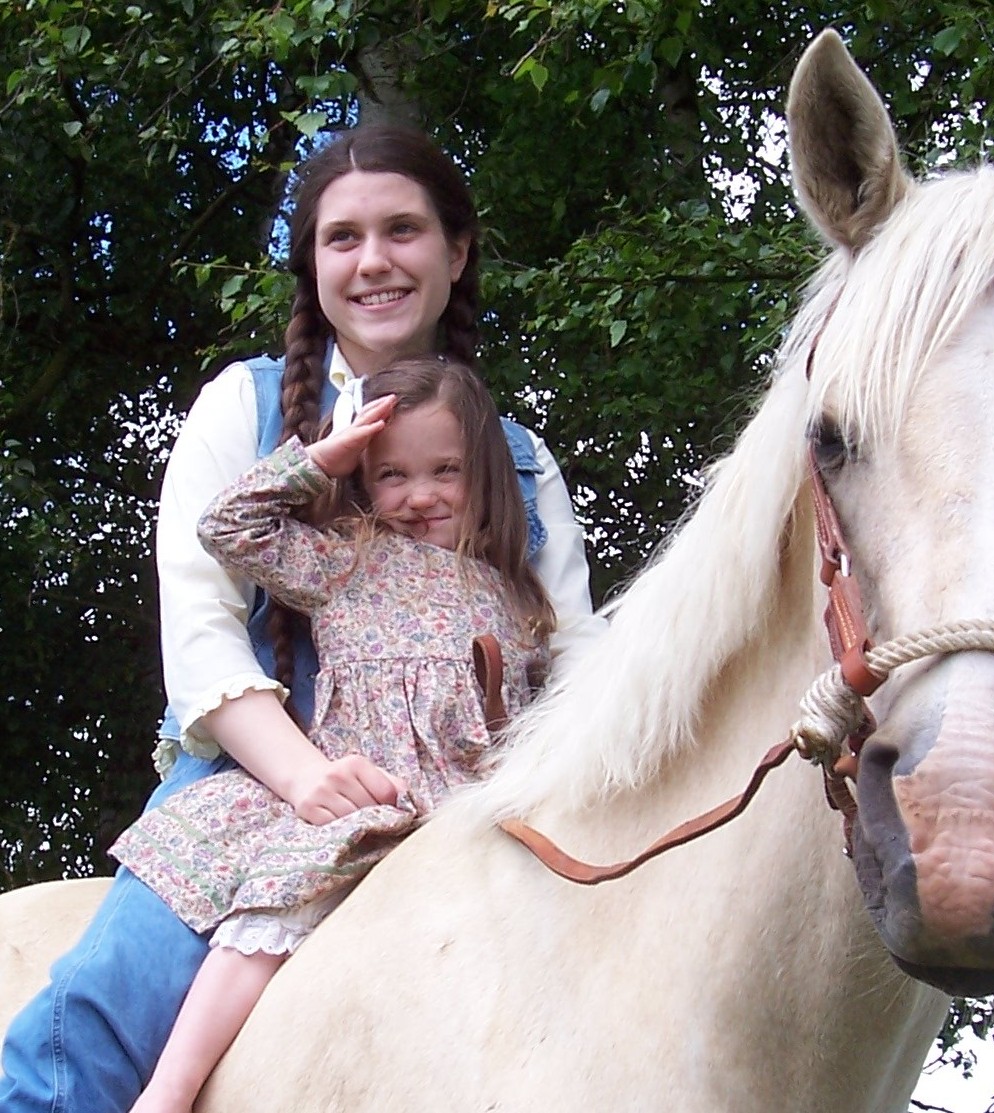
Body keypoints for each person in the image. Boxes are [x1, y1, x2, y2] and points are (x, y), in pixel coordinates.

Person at [0, 125, 601, 1113]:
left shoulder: (521, 459)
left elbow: (578, 662)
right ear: (313, 267)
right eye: (342, 238)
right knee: (105, 1008)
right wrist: (307, 777)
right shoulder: (241, 407)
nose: (374, 261)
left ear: (455, 253)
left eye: (403, 230)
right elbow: (201, 630)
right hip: (261, 768)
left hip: (475, 784)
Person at [113, 356, 550, 1113]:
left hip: (472, 810)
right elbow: (226, 527)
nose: (419, 495)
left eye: (445, 471)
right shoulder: (351, 558)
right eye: (391, 476)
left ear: (484, 472)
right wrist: (322, 460)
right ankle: (170, 1088)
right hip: (367, 796)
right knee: (274, 911)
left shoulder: (519, 598)